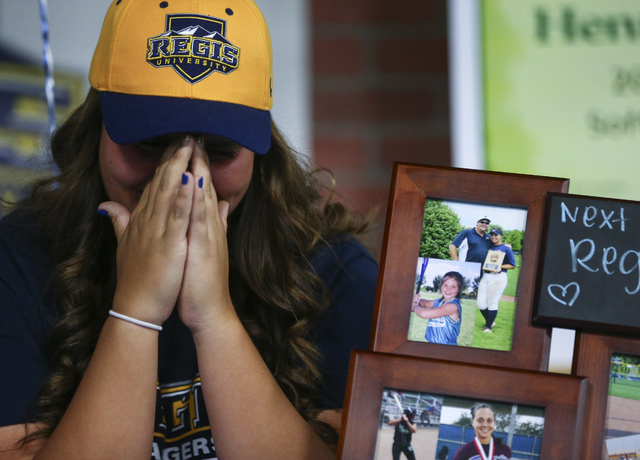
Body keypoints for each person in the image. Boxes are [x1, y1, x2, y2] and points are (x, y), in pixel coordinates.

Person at [0, 1, 379, 458]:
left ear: (261, 152)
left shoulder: (335, 272)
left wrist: (214, 318)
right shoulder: (17, 259)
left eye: (219, 151)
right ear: (95, 127)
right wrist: (136, 313)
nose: (183, 180)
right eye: (149, 144)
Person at [476, 229, 516, 333]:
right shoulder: (488, 246)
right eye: (492, 235)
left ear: (501, 236)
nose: (493, 237)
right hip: (486, 275)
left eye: (496, 235)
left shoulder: (506, 249)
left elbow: (512, 265)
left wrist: (500, 267)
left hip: (498, 276)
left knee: (493, 302)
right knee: (480, 303)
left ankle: (488, 327)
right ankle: (491, 321)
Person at [412, 271, 463, 346]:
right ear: (441, 286)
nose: (448, 289)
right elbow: (426, 303)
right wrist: (417, 300)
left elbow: (424, 314)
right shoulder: (439, 302)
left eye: (453, 287)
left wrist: (414, 307)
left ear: (458, 289)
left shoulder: (453, 306)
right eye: (445, 285)